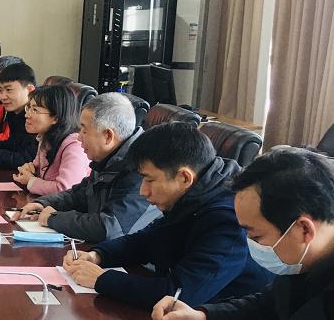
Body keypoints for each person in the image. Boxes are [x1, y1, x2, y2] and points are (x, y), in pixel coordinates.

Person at [153, 147, 334, 320]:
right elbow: (267, 309)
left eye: (256, 235)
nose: (251, 245)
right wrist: (203, 319)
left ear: (304, 229)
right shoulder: (306, 260)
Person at [62, 121, 270, 309]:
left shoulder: (228, 219)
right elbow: (146, 241)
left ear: (184, 177)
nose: (143, 191)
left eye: (149, 180)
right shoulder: (195, 195)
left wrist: (102, 279)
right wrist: (98, 255)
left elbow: (179, 294)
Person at [15, 93, 159, 242]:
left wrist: (54, 218)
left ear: (108, 136)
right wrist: (43, 203)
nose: (79, 137)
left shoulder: (141, 168)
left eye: (84, 131)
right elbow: (79, 195)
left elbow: (109, 228)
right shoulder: (107, 157)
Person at [12, 84, 89, 196]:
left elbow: (66, 189)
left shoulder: (74, 146)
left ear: (56, 118)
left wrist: (30, 181)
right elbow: (39, 171)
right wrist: (29, 170)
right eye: (28, 108)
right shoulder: (46, 139)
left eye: (35, 110)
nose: (27, 115)